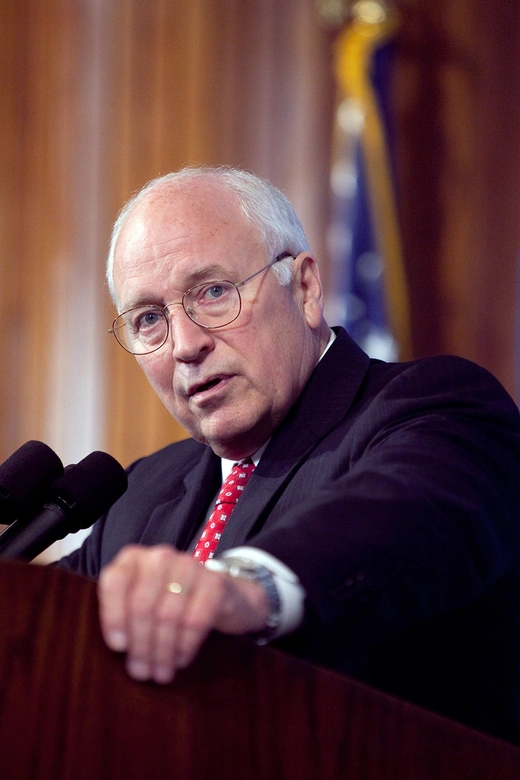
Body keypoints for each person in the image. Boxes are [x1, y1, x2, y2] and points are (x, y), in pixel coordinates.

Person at [60, 166, 520, 744]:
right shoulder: (141, 493)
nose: (185, 344)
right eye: (150, 319)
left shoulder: (432, 407)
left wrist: (245, 588)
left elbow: (402, 515)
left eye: (212, 292)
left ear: (304, 289)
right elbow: (44, 631)